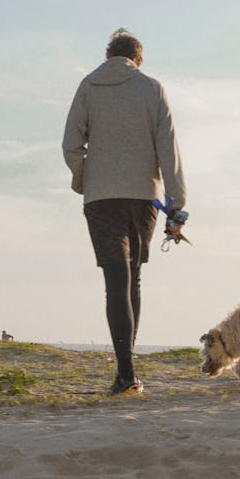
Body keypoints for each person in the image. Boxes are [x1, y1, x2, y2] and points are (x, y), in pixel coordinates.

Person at [62, 29, 187, 395]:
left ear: (108, 55)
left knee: (115, 281)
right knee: (132, 279)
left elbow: (71, 144)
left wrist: (86, 178)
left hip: (102, 198)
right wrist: (176, 204)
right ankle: (127, 372)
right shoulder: (152, 88)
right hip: (144, 197)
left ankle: (126, 373)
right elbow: (169, 149)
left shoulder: (88, 86)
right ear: (137, 59)